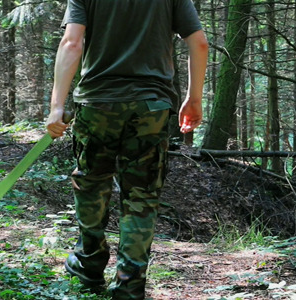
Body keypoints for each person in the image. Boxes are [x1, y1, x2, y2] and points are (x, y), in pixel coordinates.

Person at [46, 0, 208, 299]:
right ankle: (130, 284)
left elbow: (72, 42)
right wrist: (193, 98)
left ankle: (89, 264)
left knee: (92, 184)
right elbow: (198, 43)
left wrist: (57, 106)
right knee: (141, 195)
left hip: (97, 102)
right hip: (151, 105)